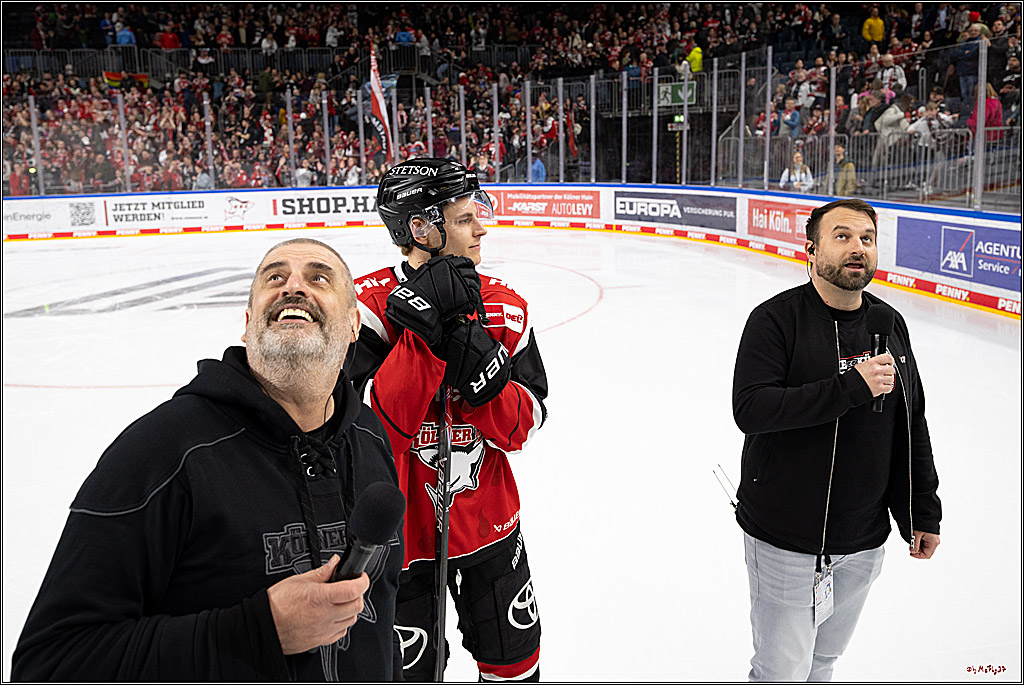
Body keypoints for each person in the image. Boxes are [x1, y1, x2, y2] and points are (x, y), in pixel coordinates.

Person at [12, 239, 404, 681]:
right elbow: (50, 663)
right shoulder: (163, 451)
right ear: (248, 324)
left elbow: (380, 611)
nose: (294, 286)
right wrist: (258, 631)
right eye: (275, 277)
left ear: (353, 325)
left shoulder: (368, 435)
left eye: (319, 278)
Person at [346, 159, 547, 682]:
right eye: (464, 218)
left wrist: (483, 373)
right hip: (398, 542)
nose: (482, 228)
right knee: (407, 674)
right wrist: (423, 343)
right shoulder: (365, 310)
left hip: (490, 528)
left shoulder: (504, 306)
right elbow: (366, 434)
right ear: (420, 228)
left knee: (515, 664)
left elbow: (526, 424)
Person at [732, 198, 942, 682]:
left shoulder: (889, 324)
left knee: (824, 660)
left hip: (862, 539)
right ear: (811, 250)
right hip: (785, 537)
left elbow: (912, 422)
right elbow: (752, 409)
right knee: (781, 670)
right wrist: (850, 388)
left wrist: (921, 510)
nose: (857, 248)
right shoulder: (775, 320)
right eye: (842, 236)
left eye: (867, 239)